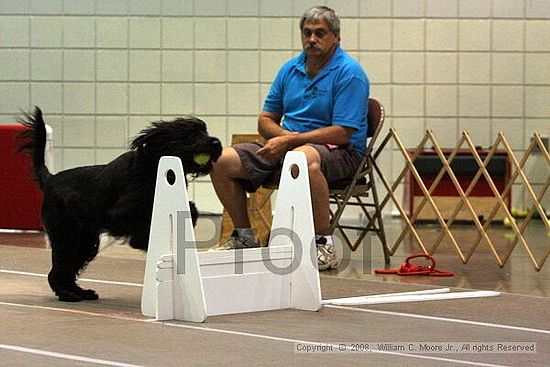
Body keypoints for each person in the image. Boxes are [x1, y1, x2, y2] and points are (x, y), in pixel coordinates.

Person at [211, 6, 370, 271]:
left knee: (302, 159)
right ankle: (244, 237)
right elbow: (265, 120)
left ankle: (323, 245)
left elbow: (342, 132)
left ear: (336, 37)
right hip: (288, 145)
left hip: (341, 152)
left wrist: (291, 143)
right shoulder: (290, 69)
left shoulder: (349, 73)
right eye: (307, 33)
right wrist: (285, 138)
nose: (312, 39)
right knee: (220, 161)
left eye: (320, 33)